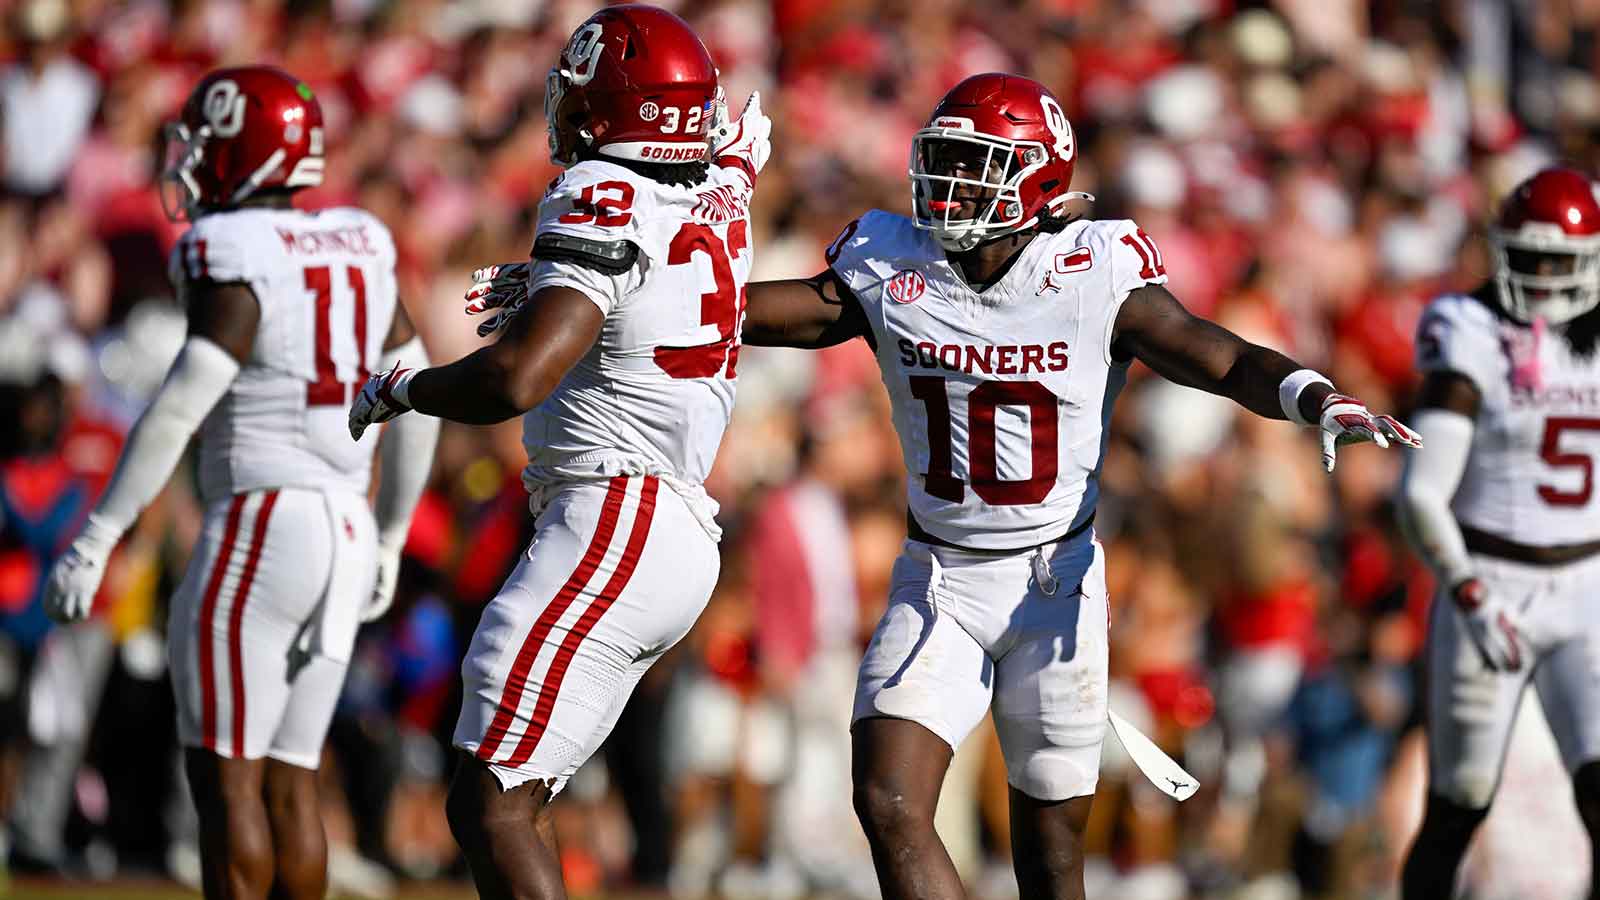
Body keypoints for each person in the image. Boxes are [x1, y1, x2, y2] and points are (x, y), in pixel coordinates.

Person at [462, 71, 1420, 899]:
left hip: (1057, 582)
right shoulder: (894, 261)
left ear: (1041, 181)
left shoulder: (1091, 270)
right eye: (946, 159)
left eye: (979, 165)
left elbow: (1211, 354)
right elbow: (778, 309)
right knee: (887, 797)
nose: (951, 183)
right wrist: (596, 290)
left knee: (1051, 854)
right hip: (941, 577)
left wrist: (1310, 394)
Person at [345, 6, 772, 898]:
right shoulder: (720, 188)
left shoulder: (602, 192)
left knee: (492, 799)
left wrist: (403, 388)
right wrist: (554, 288)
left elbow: (517, 380)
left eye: (587, 100)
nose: (572, 116)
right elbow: (709, 193)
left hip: (617, 511)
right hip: (660, 519)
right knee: (505, 790)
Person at [43, 66, 438, 900]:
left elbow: (181, 403)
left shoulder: (230, 248)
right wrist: (394, 531)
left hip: (260, 522)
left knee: (228, 785)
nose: (188, 162)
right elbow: (421, 393)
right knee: (293, 783)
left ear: (237, 155)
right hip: (346, 523)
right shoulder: (361, 241)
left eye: (204, 145)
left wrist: (99, 533)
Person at [1397, 166, 1600, 900]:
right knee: (1460, 804)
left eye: (1559, 260)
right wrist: (1471, 591)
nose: (1542, 277)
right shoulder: (1469, 329)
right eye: (1529, 256)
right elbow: (1422, 492)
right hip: (1490, 578)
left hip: (1587, 585)